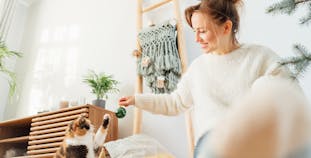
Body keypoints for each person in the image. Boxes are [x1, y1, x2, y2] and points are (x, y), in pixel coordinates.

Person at [119, 0, 311, 157]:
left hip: (251, 140)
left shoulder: (260, 56)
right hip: (212, 143)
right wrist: (137, 99)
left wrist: (263, 89)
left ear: (226, 27)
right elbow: (174, 102)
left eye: (202, 31)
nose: (197, 39)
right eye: (194, 31)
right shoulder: (197, 69)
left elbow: (291, 96)